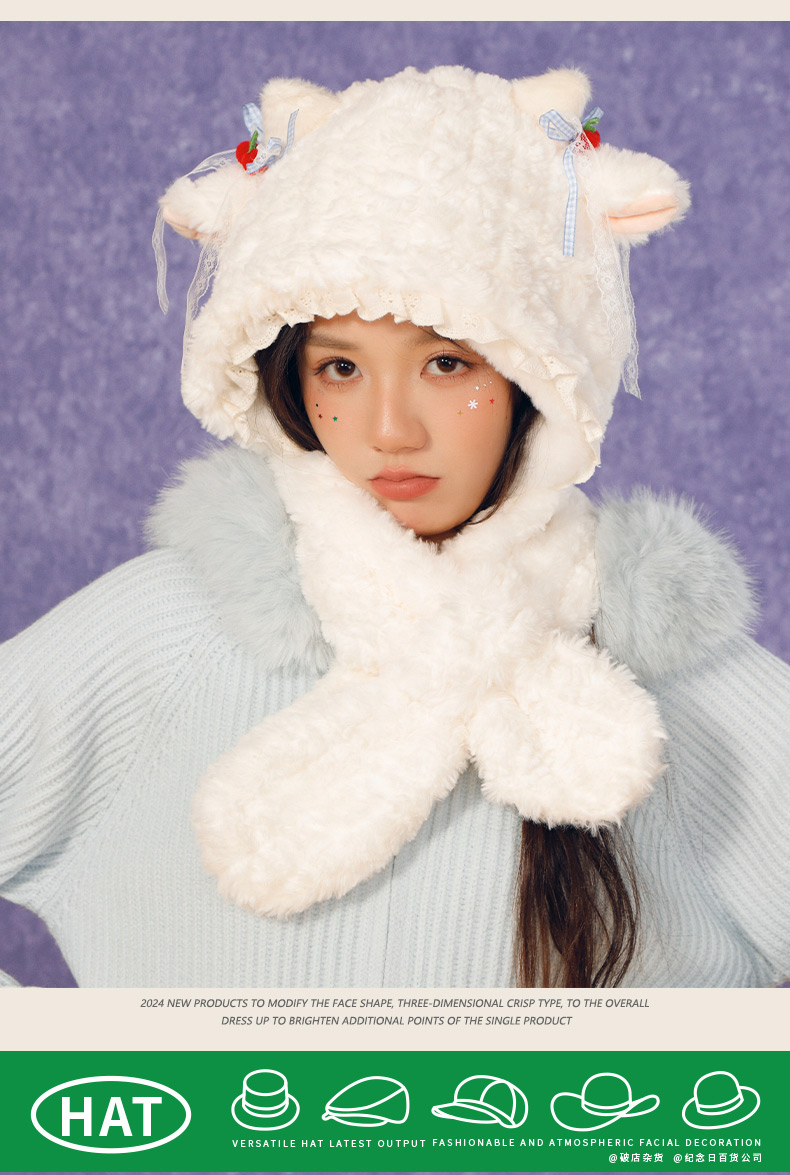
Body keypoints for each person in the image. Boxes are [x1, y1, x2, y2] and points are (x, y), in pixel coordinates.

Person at [0, 65, 787, 988]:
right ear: (286, 383)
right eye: (339, 368)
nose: (389, 430)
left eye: (447, 363)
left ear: (537, 382)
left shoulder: (677, 678)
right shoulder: (169, 632)